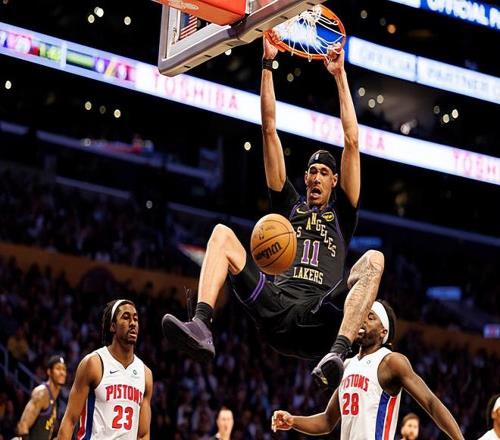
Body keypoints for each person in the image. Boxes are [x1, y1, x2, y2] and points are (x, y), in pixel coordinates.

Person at [162, 36, 383, 391]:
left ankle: (338, 354)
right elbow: (268, 129)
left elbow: (352, 140)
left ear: (335, 181)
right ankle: (202, 324)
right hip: (275, 306)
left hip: (318, 314)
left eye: (324, 172)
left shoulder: (343, 213)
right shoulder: (288, 205)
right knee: (221, 234)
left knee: (373, 259)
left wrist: (340, 75)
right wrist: (267, 64)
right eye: (311, 171)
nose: (315, 177)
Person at [271, 300, 464, 440]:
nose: (362, 320)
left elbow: (431, 402)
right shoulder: (346, 365)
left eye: (370, 317)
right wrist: (293, 420)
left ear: (383, 332)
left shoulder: (391, 362)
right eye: (361, 315)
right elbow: (327, 421)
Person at [57, 299, 153, 440]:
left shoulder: (145, 374)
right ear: (113, 326)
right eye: (126, 317)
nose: (133, 323)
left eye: (135, 319)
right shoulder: (94, 363)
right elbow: (70, 420)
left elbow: (143, 434)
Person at [14, 355, 67, 440]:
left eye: (64, 369)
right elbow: (23, 425)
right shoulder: (42, 393)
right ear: (49, 372)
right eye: (58, 368)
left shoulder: (55, 399)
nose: (62, 372)